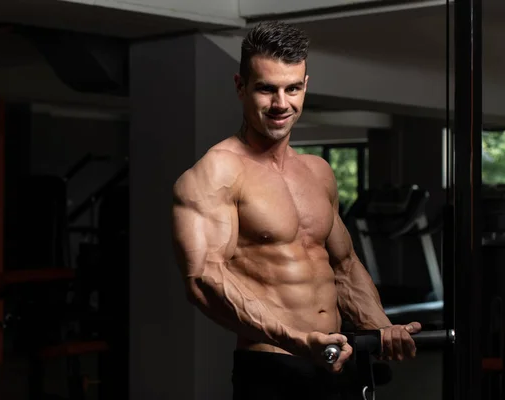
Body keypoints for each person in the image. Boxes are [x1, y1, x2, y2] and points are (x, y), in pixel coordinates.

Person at [171, 20, 422, 399]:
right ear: (240, 87)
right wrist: (297, 340)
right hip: (273, 366)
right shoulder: (217, 173)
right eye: (266, 89)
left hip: (339, 361)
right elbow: (203, 279)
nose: (281, 104)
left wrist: (381, 327)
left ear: (305, 86)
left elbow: (344, 265)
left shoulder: (318, 173)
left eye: (292, 88)